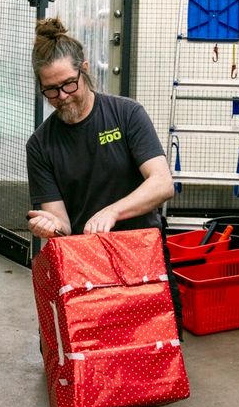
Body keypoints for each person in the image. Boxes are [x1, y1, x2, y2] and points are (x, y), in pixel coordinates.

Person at [25, 17, 174, 240]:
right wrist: (53, 225)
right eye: (51, 90)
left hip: (141, 247)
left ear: (84, 69)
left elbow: (162, 183)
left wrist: (113, 212)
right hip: (87, 256)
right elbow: (62, 226)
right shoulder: (40, 145)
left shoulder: (126, 114)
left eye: (68, 84)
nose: (63, 96)